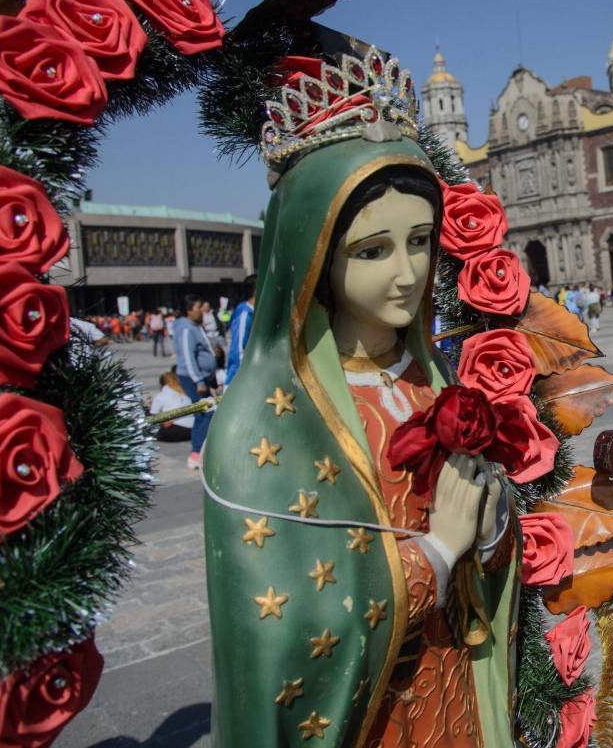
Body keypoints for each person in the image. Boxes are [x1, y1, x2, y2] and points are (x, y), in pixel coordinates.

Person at [201, 51, 518, 748]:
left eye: (420, 242)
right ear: (315, 252)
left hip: (452, 691)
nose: (407, 274)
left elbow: (482, 555)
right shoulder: (264, 423)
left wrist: (492, 531)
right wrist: (432, 555)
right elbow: (285, 627)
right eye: (373, 250)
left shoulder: (432, 379)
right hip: (366, 721)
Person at [172, 294, 217, 470]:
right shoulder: (185, 328)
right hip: (192, 378)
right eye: (198, 307)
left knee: (205, 412)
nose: (202, 311)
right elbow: (187, 358)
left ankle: (200, 451)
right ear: (189, 310)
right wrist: (199, 380)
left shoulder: (194, 326)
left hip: (203, 376)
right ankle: (197, 452)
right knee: (205, 413)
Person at [224, 275, 256, 384]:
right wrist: (243, 378)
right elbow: (238, 350)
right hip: (241, 380)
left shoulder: (255, 313)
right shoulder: (244, 315)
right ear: (256, 290)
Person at [149, 369, 193, 442]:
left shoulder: (161, 395)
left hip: (175, 430)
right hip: (192, 429)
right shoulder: (186, 392)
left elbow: (154, 415)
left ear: (161, 384)